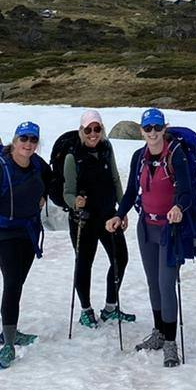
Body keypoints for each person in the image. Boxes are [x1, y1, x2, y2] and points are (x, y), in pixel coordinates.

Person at [109, 107, 196, 367]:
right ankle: (159, 332)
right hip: (145, 228)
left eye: (158, 127)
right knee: (153, 283)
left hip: (170, 230)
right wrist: (119, 214)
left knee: (166, 283)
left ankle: (170, 342)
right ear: (141, 130)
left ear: (165, 128)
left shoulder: (176, 155)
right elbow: (131, 192)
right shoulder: (139, 157)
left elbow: (186, 191)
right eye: (148, 128)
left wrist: (179, 208)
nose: (153, 133)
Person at [0, 120, 53, 369]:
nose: (28, 144)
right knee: (12, 280)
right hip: (4, 230)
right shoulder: (1, 168)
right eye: (24, 139)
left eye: (32, 140)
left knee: (17, 281)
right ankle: (8, 344)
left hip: (28, 229)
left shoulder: (38, 165)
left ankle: (10, 330)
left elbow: (51, 184)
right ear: (15, 141)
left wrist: (44, 196)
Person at [61, 109, 134, 328]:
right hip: (83, 220)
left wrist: (123, 209)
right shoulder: (72, 157)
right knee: (84, 263)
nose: (93, 134)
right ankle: (86, 310)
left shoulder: (106, 148)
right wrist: (75, 202)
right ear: (81, 131)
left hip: (108, 216)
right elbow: (67, 193)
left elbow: (114, 178)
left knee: (120, 258)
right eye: (89, 129)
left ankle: (110, 307)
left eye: (97, 128)